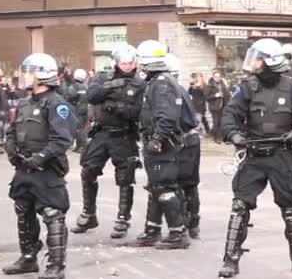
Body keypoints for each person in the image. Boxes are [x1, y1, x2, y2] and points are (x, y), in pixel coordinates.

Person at [218, 38, 292, 278]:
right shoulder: (247, 87)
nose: (253, 63)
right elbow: (230, 113)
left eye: (258, 58)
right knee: (239, 206)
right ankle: (230, 260)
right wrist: (234, 134)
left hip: (281, 154)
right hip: (253, 153)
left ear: (270, 61)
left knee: (291, 209)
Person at [2, 53, 77, 279]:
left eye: (29, 72)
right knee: (23, 210)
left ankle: (56, 265)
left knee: (52, 213)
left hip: (46, 169)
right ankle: (28, 258)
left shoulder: (56, 104)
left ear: (42, 75)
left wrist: (41, 157)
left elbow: (63, 139)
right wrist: (11, 148)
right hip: (24, 168)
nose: (24, 76)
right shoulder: (24, 102)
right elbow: (12, 130)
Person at [71, 44, 145, 239]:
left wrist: (115, 107)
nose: (127, 66)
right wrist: (112, 87)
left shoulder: (139, 84)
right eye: (123, 63)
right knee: (88, 170)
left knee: (125, 177)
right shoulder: (104, 77)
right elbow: (92, 96)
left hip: (124, 134)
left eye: (130, 63)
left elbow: (136, 112)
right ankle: (89, 214)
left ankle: (123, 218)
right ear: (116, 62)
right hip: (102, 133)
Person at [134, 40, 191, 249]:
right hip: (160, 141)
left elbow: (167, 117)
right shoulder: (159, 81)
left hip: (162, 144)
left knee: (164, 187)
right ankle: (153, 229)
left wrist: (157, 139)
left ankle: (178, 233)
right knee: (156, 187)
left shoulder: (161, 84)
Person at [164, 53, 202, 239]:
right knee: (190, 184)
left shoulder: (170, 91)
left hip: (184, 141)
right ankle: (192, 222)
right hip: (191, 140)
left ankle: (187, 223)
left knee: (182, 184)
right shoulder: (180, 89)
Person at [206, 69, 230, 143]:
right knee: (216, 122)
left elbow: (227, 94)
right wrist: (215, 96)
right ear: (213, 77)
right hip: (214, 107)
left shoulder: (223, 84)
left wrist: (226, 96)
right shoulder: (209, 85)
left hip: (223, 106)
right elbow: (207, 97)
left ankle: (218, 135)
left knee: (221, 122)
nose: (218, 78)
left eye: (219, 77)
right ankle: (217, 138)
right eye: (216, 77)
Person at [69, 69, 89, 152]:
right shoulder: (86, 87)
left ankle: (81, 146)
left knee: (78, 129)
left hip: (77, 110)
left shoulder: (74, 87)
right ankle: (80, 146)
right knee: (81, 128)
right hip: (84, 110)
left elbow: (71, 97)